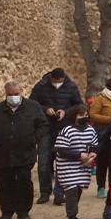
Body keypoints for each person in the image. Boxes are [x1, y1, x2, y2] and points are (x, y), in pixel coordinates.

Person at [0, 81, 46, 219]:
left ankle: (23, 212)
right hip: (3, 155)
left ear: (22, 92)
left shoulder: (33, 107)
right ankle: (6, 212)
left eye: (16, 94)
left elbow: (43, 125)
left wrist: (33, 139)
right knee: (4, 183)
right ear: (5, 94)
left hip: (25, 154)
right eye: (10, 94)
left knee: (24, 182)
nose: (13, 97)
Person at [30, 67, 83, 205]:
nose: (57, 83)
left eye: (60, 81)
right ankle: (44, 193)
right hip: (45, 129)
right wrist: (45, 109)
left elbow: (79, 105)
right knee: (43, 163)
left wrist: (66, 112)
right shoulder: (40, 86)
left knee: (62, 162)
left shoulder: (71, 87)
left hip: (64, 129)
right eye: (55, 81)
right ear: (51, 78)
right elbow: (31, 103)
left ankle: (59, 193)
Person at [54, 104, 99, 219]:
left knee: (78, 188)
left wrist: (93, 154)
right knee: (71, 188)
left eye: (86, 115)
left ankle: (73, 214)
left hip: (83, 167)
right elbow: (61, 149)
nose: (84, 117)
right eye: (81, 115)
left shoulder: (90, 130)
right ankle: (72, 217)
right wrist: (79, 155)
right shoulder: (67, 130)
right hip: (67, 166)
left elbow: (95, 145)